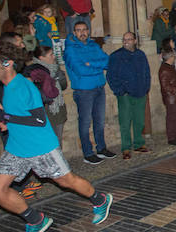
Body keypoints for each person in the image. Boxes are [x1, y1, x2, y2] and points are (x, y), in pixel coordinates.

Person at [0, 42, 113, 232]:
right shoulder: (8, 88)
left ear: (7, 63)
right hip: (17, 149)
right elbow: (19, 117)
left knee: (66, 181)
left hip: (41, 147)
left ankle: (100, 199)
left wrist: (3, 115)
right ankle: (36, 220)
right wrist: (5, 122)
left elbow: (38, 120)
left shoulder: (24, 86)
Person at [64, 21, 115, 164]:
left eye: (84, 30)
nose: (82, 33)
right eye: (78, 30)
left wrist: (91, 63)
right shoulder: (70, 50)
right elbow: (81, 70)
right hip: (84, 90)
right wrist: (96, 66)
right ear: (74, 33)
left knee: (99, 121)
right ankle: (87, 153)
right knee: (85, 122)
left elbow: (107, 62)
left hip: (99, 87)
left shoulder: (93, 45)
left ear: (88, 31)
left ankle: (101, 148)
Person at [107, 32, 151, 160]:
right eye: (124, 39)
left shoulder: (140, 55)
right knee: (125, 121)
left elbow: (146, 72)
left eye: (129, 39)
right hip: (125, 94)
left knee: (139, 120)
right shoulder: (116, 56)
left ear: (135, 41)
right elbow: (111, 76)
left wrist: (146, 87)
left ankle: (138, 143)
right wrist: (120, 90)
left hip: (140, 92)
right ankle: (126, 147)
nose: (126, 41)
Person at [26, 46, 68, 144]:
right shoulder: (35, 72)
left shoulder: (55, 68)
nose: (54, 57)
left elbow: (63, 86)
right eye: (51, 55)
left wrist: (59, 76)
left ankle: (58, 159)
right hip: (46, 110)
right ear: (41, 57)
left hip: (58, 109)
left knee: (58, 139)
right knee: (48, 141)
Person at [159, 49, 176, 145]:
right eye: (173, 56)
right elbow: (165, 85)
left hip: (173, 97)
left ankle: (175, 133)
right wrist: (175, 90)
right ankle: (171, 137)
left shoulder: (169, 67)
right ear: (170, 57)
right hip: (171, 98)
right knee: (171, 117)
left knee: (174, 116)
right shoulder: (165, 69)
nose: (174, 58)